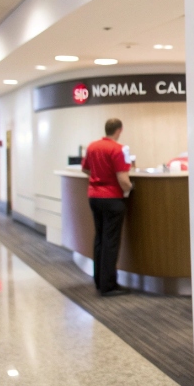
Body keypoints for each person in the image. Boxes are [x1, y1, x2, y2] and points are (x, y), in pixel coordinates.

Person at [81, 118, 132, 296]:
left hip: (94, 197)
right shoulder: (119, 149)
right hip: (112, 198)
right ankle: (108, 285)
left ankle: (99, 280)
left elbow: (85, 169)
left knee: (100, 238)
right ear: (119, 130)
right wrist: (130, 189)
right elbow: (123, 179)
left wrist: (98, 176)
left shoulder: (92, 147)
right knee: (111, 241)